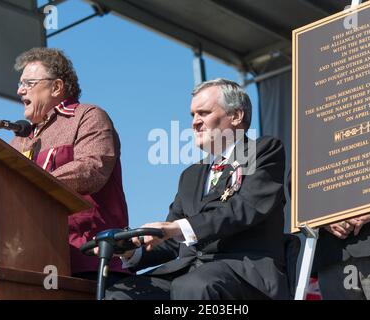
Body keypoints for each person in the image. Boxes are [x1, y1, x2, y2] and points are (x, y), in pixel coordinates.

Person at [104, 78, 290, 300]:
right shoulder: (192, 175)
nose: (195, 122)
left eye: (203, 113)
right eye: (193, 115)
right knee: (119, 294)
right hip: (190, 271)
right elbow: (173, 240)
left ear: (237, 116)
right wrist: (131, 249)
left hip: (244, 270)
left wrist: (176, 228)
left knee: (193, 287)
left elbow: (245, 209)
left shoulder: (259, 150)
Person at [10, 48, 129, 281]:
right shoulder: (19, 140)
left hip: (87, 256)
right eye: (20, 83)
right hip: (29, 262)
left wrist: (30, 185)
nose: (19, 90)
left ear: (56, 87)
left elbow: (91, 170)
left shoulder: (87, 117)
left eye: (28, 83)